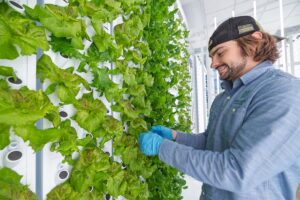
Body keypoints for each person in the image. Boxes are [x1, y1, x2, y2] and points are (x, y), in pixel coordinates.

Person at [138, 16, 300, 200]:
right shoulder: (226, 97)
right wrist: (176, 137)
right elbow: (213, 144)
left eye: (220, 53)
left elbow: (237, 171)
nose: (213, 63)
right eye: (211, 56)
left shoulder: (284, 92)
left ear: (254, 41)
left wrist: (162, 148)